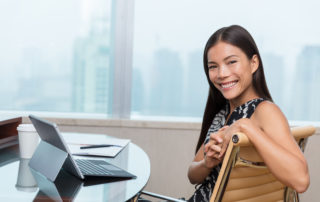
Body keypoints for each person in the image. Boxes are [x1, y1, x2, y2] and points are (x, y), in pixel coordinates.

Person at [187, 25, 309, 202]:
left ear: (254, 63)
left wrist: (245, 126)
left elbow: (301, 181)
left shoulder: (265, 111)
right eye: (213, 66)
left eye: (231, 62)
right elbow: (192, 176)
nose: (222, 73)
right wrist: (207, 163)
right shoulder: (223, 113)